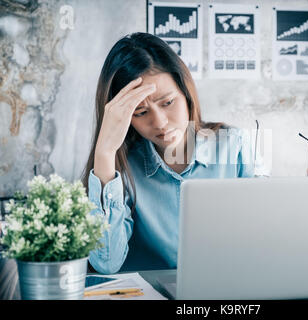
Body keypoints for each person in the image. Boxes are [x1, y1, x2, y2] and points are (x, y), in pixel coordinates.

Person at [82, 32, 266, 275]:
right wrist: (105, 152)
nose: (159, 123)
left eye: (168, 103)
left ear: (186, 93)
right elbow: (106, 264)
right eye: (140, 112)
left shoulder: (235, 146)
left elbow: (262, 243)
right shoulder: (123, 165)